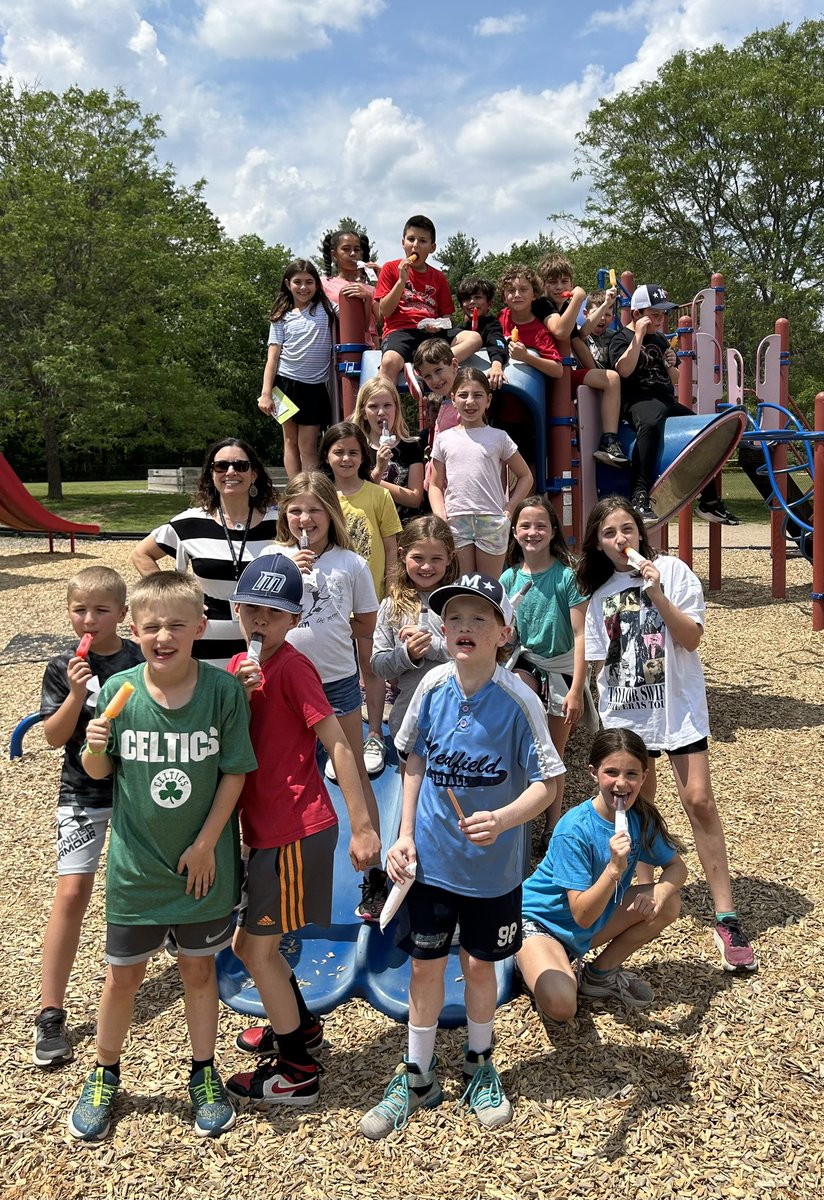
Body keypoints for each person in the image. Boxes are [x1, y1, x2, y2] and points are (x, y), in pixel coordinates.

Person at [359, 573, 565, 1139]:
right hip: (430, 865)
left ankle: (479, 1060)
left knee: (479, 968)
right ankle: (418, 1073)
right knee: (424, 968)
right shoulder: (430, 688)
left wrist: (503, 820)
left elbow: (550, 781)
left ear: (503, 632)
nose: (464, 628)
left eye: (479, 619)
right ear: (441, 630)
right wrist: (403, 836)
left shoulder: (519, 698)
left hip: (492, 873)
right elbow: (414, 761)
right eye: (454, 619)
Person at [67, 572, 257, 1142]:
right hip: (136, 867)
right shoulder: (118, 689)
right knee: (123, 977)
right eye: (152, 627)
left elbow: (234, 771)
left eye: (177, 624)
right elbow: (100, 772)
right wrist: (95, 746)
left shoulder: (222, 693)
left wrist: (205, 845)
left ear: (200, 627)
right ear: (134, 630)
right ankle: (103, 1072)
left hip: (203, 867)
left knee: (199, 971)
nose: (164, 636)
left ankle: (204, 1072)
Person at [221, 553, 381, 1109]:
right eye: (253, 609)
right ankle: (302, 1027)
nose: (261, 621)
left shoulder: (292, 668)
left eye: (275, 612)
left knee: (255, 949)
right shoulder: (237, 671)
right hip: (266, 829)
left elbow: (337, 743)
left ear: (293, 622)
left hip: (297, 827)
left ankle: (297, 1070)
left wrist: (363, 828)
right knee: (256, 947)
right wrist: (237, 696)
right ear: (237, 611)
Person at [576, 496, 757, 971]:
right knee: (637, 804)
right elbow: (601, 661)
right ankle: (644, 895)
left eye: (628, 530)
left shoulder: (674, 572)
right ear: (599, 543)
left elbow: (691, 638)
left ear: (640, 532)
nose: (621, 540)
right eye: (610, 533)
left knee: (698, 799)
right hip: (627, 717)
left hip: (677, 713)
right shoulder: (600, 594)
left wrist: (656, 592)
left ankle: (726, 914)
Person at [35, 567, 143, 1068]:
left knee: (146, 882)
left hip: (133, 790)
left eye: (102, 610)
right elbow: (54, 737)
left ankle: (158, 950)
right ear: (69, 612)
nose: (90, 619)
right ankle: (50, 1011)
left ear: (123, 614)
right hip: (81, 791)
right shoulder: (61, 666)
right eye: (80, 609)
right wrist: (77, 694)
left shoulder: (140, 658)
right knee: (72, 891)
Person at [271, 471, 389, 921]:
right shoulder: (273, 557)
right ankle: (273, 871)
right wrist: (289, 577)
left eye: (314, 510)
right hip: (283, 682)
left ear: (331, 514)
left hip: (336, 680)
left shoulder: (350, 563)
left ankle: (374, 876)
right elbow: (254, 616)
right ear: (285, 514)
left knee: (353, 772)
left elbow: (366, 621)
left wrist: (335, 630)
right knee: (285, 773)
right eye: (296, 510)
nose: (305, 518)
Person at [517, 728, 686, 1017]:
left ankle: (599, 975)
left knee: (668, 901)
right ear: (594, 773)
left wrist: (659, 890)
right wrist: (613, 870)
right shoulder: (573, 830)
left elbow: (677, 868)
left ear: (644, 777)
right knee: (562, 1006)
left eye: (632, 774)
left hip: (588, 923)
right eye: (612, 772)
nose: (622, 783)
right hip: (541, 923)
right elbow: (581, 915)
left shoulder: (640, 819)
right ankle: (526, 960)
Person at [131, 438, 279, 668]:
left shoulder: (279, 523)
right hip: (207, 640)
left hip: (265, 637)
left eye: (240, 465)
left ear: (254, 474)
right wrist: (176, 598)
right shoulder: (190, 523)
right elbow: (141, 554)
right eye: (221, 466)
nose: (230, 471)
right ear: (212, 474)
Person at [607, 282, 740, 525]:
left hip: (665, 400)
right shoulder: (621, 338)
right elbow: (623, 370)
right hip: (639, 399)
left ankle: (709, 501)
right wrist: (637, 336)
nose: (659, 321)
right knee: (649, 424)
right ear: (637, 314)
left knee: (705, 431)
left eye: (662, 315)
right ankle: (639, 496)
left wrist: (670, 364)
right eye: (654, 315)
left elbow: (676, 378)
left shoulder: (659, 339)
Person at [501, 496, 589, 846]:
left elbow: (582, 634)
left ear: (554, 531)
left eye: (540, 525)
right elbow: (505, 632)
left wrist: (577, 689)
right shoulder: (509, 577)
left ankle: (551, 827)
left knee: (554, 750)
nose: (532, 532)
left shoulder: (566, 576)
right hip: (527, 660)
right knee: (519, 730)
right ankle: (517, 816)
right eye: (525, 525)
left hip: (562, 667)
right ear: (514, 531)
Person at [320, 420, 402, 776]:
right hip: (331, 600)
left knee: (369, 666)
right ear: (327, 454)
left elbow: (390, 546)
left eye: (353, 452)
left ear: (363, 455)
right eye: (339, 451)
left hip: (372, 598)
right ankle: (336, 736)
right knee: (335, 668)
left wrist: (395, 587)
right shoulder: (321, 498)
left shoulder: (378, 495)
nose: (346, 458)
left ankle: (373, 734)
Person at [429, 367, 533, 577]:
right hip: (456, 519)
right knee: (463, 585)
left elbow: (526, 476)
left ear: (488, 400)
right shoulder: (444, 439)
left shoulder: (499, 437)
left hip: (492, 519)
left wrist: (510, 508)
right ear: (453, 398)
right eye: (463, 395)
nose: (470, 402)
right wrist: (440, 514)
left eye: (477, 395)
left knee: (489, 587)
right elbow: (434, 485)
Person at [371, 515, 458, 760]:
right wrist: (406, 654)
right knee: (410, 786)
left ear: (450, 558)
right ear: (402, 555)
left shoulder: (461, 603)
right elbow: (378, 665)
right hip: (409, 717)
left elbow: (476, 654)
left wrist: (431, 646)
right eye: (418, 558)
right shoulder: (391, 606)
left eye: (436, 559)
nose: (426, 567)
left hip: (456, 716)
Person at [532, 254, 628, 468]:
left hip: (564, 375)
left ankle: (609, 440)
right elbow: (559, 330)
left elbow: (579, 338)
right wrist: (578, 297)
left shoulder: (566, 308)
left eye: (564, 281)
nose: (559, 287)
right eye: (552, 282)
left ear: (571, 283)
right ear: (542, 285)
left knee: (611, 378)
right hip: (542, 376)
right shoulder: (541, 305)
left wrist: (597, 377)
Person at [374, 214, 481, 389]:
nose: (415, 244)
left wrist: (439, 325)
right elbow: (384, 312)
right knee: (388, 362)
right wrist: (401, 281)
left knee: (474, 338)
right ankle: (384, 408)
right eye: (411, 239)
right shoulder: (390, 268)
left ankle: (424, 368)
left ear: (432, 248)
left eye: (422, 241)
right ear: (403, 243)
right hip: (401, 331)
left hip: (432, 335)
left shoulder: (438, 277)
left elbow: (447, 317)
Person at [257, 258, 338, 477]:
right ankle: (295, 489)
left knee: (308, 445)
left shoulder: (327, 308)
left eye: (309, 282)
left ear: (317, 284)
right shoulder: (281, 316)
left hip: (314, 386)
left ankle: (311, 488)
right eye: (298, 282)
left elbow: (351, 309)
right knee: (290, 440)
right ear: (287, 283)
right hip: (285, 384)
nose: (303, 287)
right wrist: (265, 394)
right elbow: (272, 358)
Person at [352, 376, 425, 523]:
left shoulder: (411, 447)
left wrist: (371, 479)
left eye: (387, 405)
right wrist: (378, 469)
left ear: (396, 409)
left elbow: (415, 499)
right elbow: (355, 492)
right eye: (373, 406)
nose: (381, 412)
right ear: (363, 413)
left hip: (404, 524)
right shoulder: (356, 449)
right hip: (370, 524)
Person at [496, 264, 564, 385]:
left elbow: (558, 370)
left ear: (534, 295)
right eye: (511, 290)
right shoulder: (500, 317)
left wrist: (526, 356)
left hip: (526, 391)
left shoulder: (539, 332)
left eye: (523, 289)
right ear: (504, 298)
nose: (517, 294)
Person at [321, 227, 379, 349]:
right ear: (334, 254)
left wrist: (382, 281)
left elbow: (384, 319)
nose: (352, 253)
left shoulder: (370, 289)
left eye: (356, 250)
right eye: (346, 249)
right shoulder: (323, 284)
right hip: (335, 352)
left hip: (366, 352)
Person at [455, 276, 508, 390]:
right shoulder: (459, 330)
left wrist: (496, 365)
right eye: (467, 299)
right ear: (461, 306)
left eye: (478, 297)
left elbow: (497, 343)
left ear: (490, 304)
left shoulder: (492, 324)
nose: (472, 302)